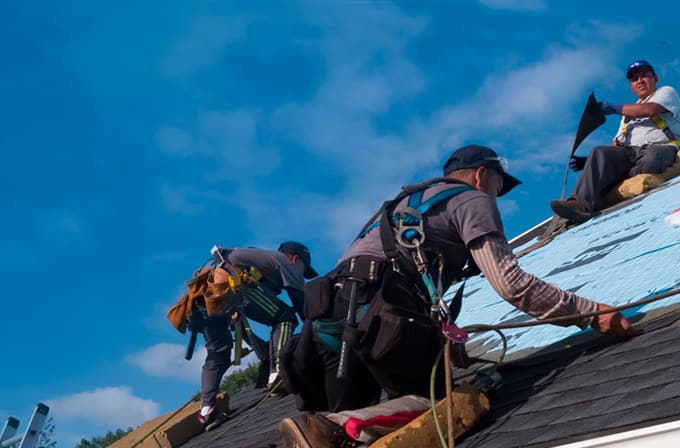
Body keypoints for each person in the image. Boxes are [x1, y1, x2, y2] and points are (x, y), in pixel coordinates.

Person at [279, 145, 635, 447]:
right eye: (498, 186)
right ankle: (336, 428)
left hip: (327, 322)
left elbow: (406, 275)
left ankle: (329, 428)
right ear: (482, 175)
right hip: (379, 317)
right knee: (441, 404)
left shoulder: (400, 207)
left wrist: (443, 337)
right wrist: (591, 313)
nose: (497, 195)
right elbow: (511, 283)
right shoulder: (472, 199)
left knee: (338, 439)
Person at [192, 242, 318, 431]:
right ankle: (278, 375)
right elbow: (301, 307)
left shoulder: (259, 261)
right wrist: (320, 332)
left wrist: (264, 354)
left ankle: (207, 411)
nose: (302, 275)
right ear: (295, 258)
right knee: (286, 318)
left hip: (201, 299)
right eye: (304, 269)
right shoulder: (286, 262)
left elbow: (244, 319)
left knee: (217, 355)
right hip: (228, 285)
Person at [551, 59, 680, 224]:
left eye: (644, 76)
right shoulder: (627, 116)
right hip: (631, 154)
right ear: (631, 86)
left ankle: (612, 181)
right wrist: (591, 161)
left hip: (661, 149)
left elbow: (650, 110)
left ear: (655, 78)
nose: (639, 81)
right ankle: (579, 206)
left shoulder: (665, 92)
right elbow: (617, 144)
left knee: (652, 157)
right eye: (634, 79)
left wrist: (612, 108)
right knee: (599, 152)